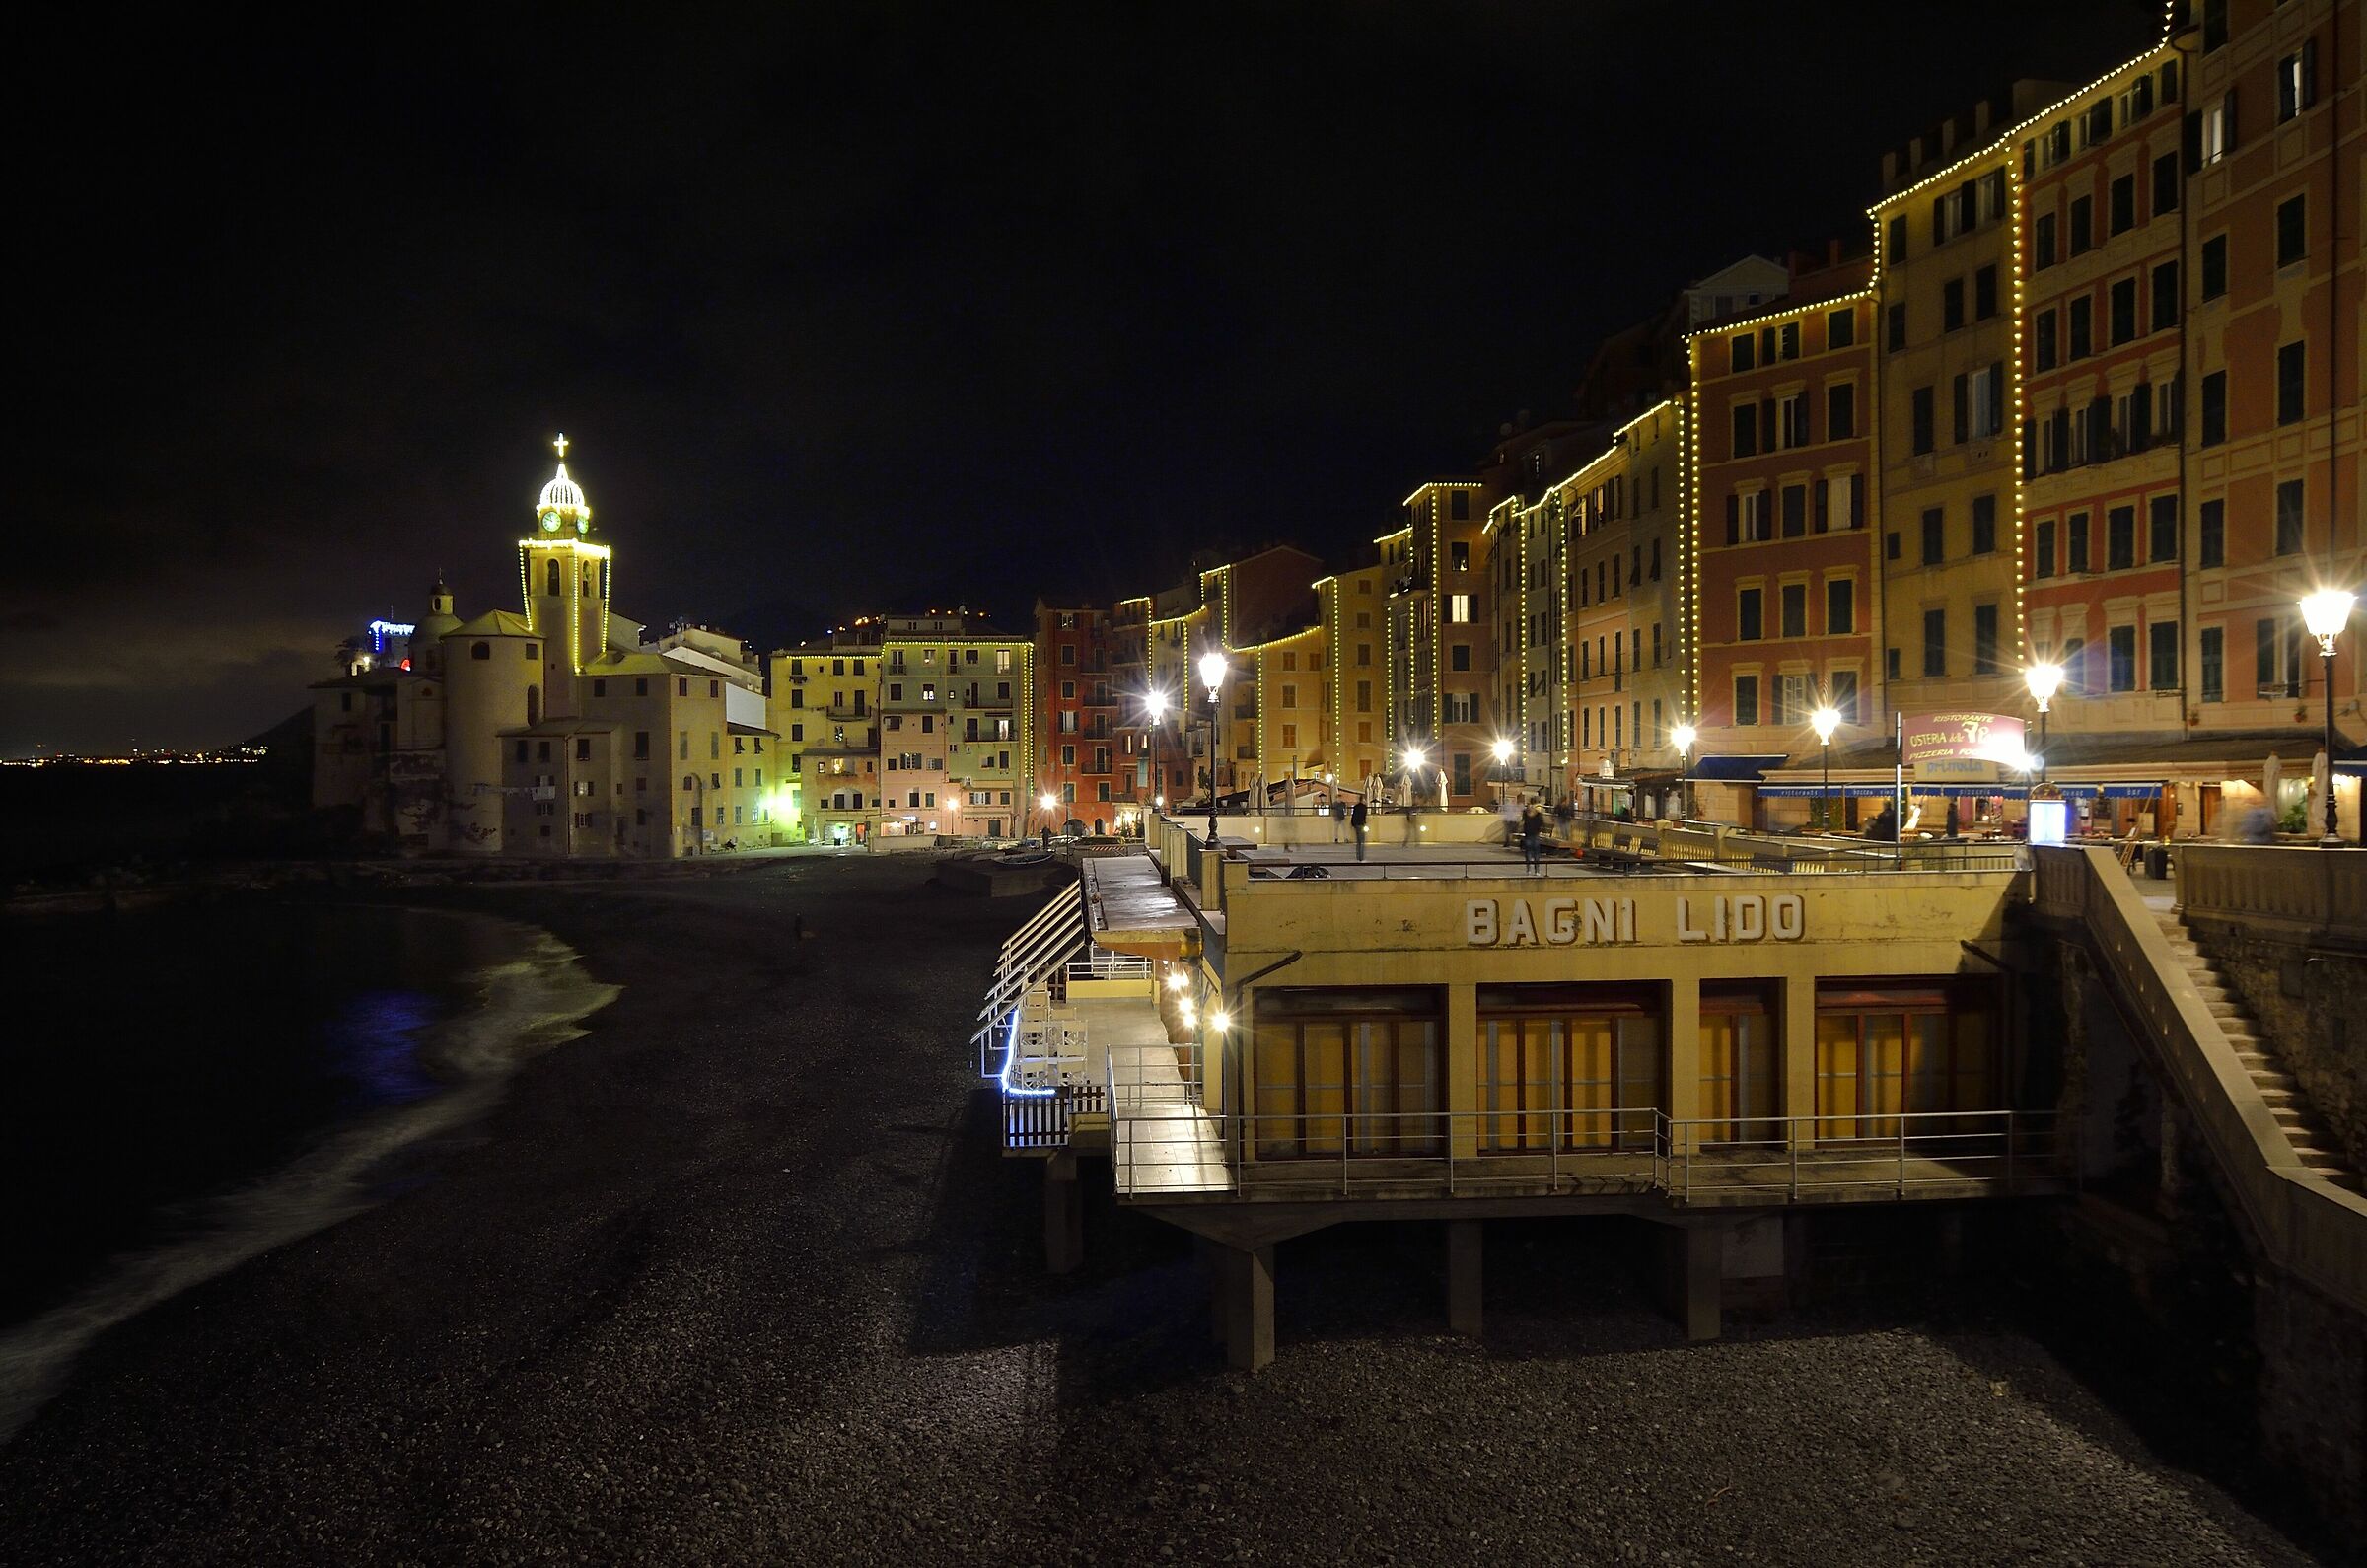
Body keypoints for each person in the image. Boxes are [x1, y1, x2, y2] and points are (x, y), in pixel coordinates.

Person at [1521, 799, 1546, 872]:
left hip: (1528, 835)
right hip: (1535, 835)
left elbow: (1523, 822)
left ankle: (1528, 869)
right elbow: (1542, 824)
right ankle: (1536, 870)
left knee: (1528, 852)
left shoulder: (1525, 814)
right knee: (1536, 853)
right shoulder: (1538, 814)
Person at [1350, 796, 1369, 862]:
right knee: (1362, 842)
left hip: (1356, 825)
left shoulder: (1356, 807)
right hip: (1361, 825)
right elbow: (1364, 817)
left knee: (1358, 842)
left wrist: (1353, 824)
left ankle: (1358, 856)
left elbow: (1353, 816)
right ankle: (1361, 857)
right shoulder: (1364, 807)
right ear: (1363, 800)